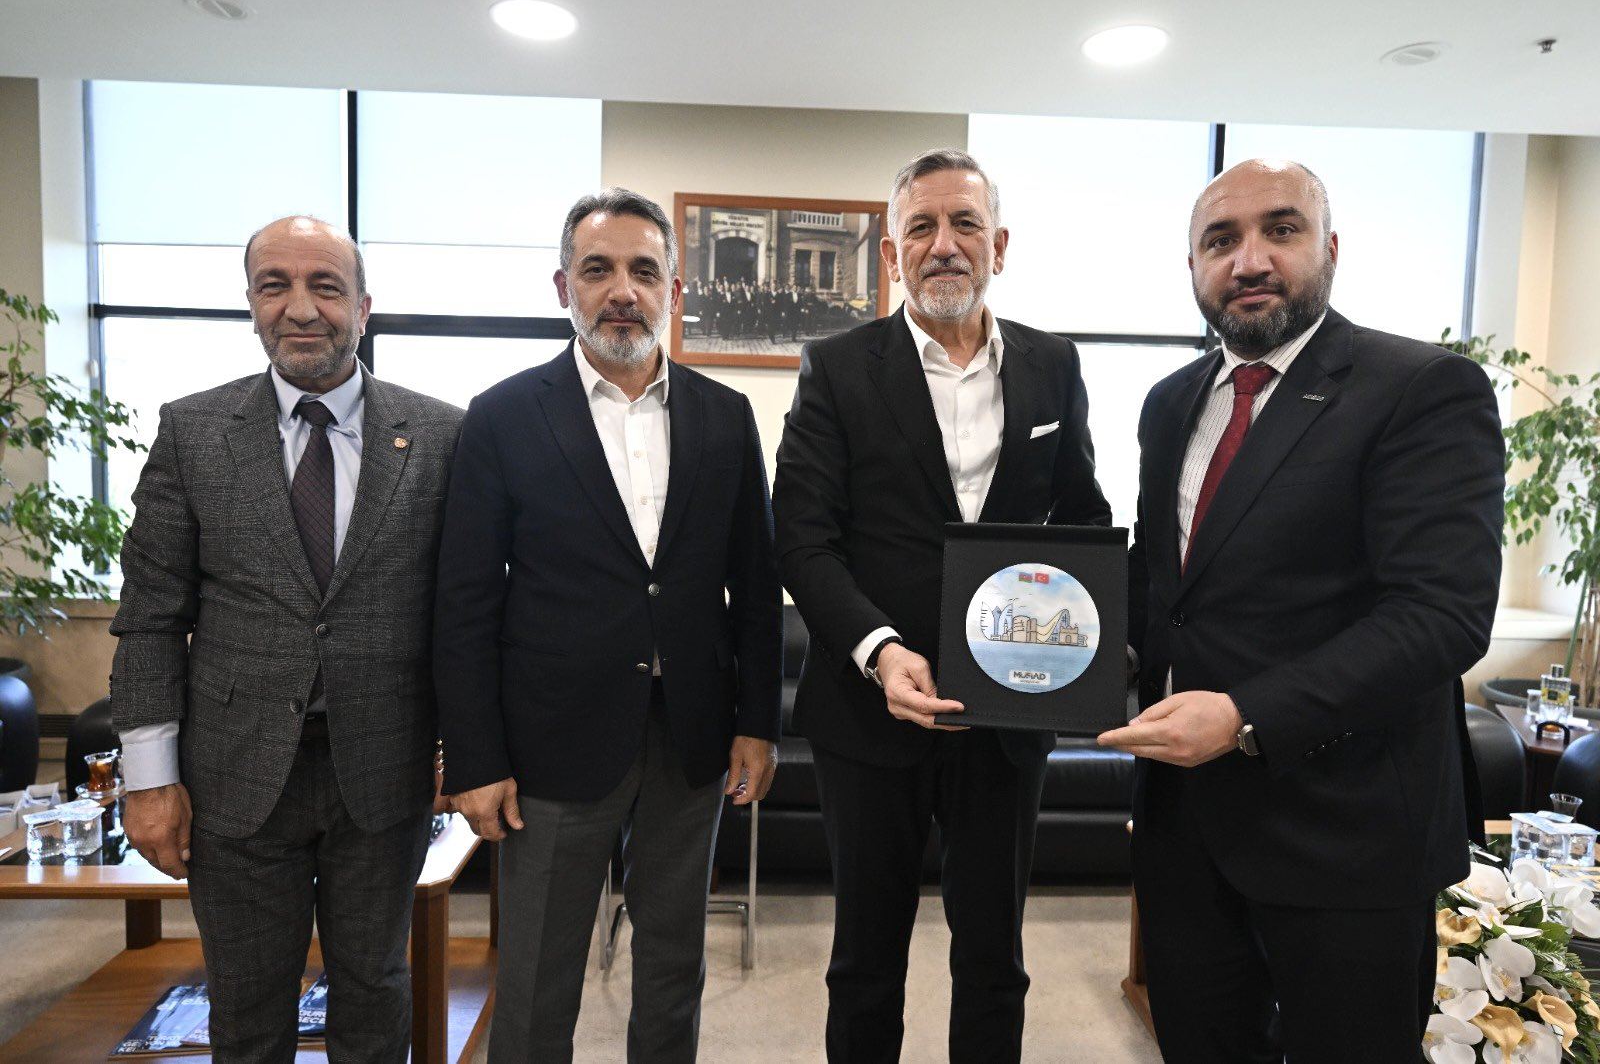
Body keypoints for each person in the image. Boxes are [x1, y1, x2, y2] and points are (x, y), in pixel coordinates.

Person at [1100, 159, 1505, 1062]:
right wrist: (1070, 657)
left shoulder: (1421, 387)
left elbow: (1441, 614)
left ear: (1331, 248)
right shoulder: (1170, 404)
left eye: (1279, 230)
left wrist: (1245, 715)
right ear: (1193, 266)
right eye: (1220, 240)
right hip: (1187, 835)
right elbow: (1164, 583)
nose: (1249, 260)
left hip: (1349, 837)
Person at [772, 147, 1111, 1062]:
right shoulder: (836, 367)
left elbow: (1083, 518)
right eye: (920, 226)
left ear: (999, 245)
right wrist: (881, 649)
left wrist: (1076, 641)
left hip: (1008, 711)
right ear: (892, 254)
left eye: (965, 223)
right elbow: (801, 535)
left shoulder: (1053, 364)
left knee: (996, 958)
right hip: (868, 711)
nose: (944, 243)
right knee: (864, 961)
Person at [433, 187, 782, 1063]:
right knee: (537, 981)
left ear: (674, 290)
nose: (622, 290)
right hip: (551, 744)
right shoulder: (503, 416)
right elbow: (465, 602)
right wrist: (475, 759)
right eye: (598, 270)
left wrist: (758, 723)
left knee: (673, 971)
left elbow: (756, 582)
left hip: (691, 739)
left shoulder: (725, 416)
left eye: (644, 271)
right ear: (564, 287)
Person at [110, 215, 463, 1062]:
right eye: (275, 285)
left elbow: (467, 612)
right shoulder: (194, 432)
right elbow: (151, 615)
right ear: (251, 304)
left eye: (325, 287)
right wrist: (149, 780)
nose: (300, 308)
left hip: (383, 772)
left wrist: (469, 747)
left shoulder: (444, 435)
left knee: (375, 995)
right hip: (234, 774)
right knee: (246, 1007)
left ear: (364, 308)